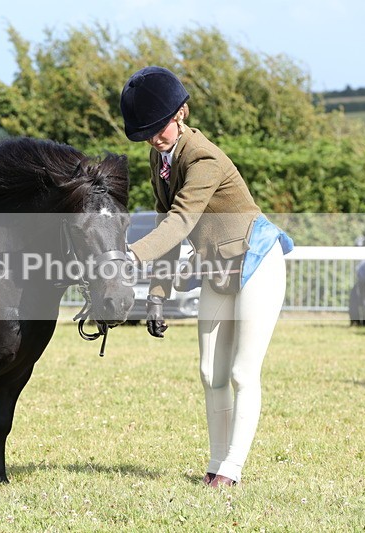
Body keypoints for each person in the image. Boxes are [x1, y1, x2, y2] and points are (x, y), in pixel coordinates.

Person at [120, 66, 294, 487]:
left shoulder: (204, 158)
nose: (153, 138)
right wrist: (156, 297)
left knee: (240, 373)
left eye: (157, 128)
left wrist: (129, 256)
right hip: (217, 269)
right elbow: (166, 224)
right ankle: (215, 466)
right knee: (209, 373)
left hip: (257, 262)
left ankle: (232, 470)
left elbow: (181, 222)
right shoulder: (160, 157)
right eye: (144, 132)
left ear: (181, 112)